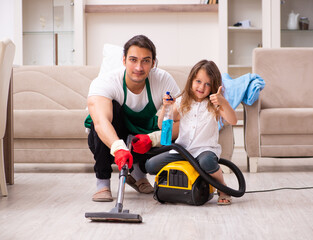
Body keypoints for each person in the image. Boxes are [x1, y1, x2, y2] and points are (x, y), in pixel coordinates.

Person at [87, 35, 180, 202]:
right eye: (133, 60)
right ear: (123, 60)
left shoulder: (163, 80)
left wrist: (152, 139)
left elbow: (184, 120)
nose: (139, 67)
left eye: (145, 61)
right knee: (109, 112)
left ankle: (137, 173)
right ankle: (103, 183)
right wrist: (118, 148)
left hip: (142, 139)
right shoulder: (106, 82)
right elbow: (101, 122)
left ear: (153, 63)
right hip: (110, 138)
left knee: (170, 129)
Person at [145, 59, 237, 205]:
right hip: (182, 151)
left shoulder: (215, 104)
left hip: (204, 151)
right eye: (198, 81)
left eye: (207, 84)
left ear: (214, 86)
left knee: (206, 162)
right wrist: (166, 107)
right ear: (191, 80)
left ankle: (222, 188)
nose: (202, 87)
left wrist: (223, 102)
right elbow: (162, 125)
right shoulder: (182, 101)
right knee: (150, 165)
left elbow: (233, 121)